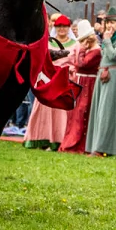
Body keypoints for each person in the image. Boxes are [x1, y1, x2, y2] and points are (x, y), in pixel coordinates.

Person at [24, 15, 75, 150]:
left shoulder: (76, 44)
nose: (61, 29)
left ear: (68, 28)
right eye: (59, 27)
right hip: (48, 80)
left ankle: (59, 139)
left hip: (65, 81)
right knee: (43, 110)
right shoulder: (48, 43)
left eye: (64, 27)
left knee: (60, 112)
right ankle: (39, 138)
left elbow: (76, 62)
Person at [86, 6, 116, 156]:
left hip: (113, 75)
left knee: (108, 112)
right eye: (108, 23)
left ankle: (102, 148)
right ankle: (99, 146)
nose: (110, 26)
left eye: (113, 22)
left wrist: (106, 40)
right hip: (103, 75)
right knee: (101, 111)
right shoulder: (110, 38)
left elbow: (113, 55)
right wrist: (107, 40)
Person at [60, 19, 102, 153]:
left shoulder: (96, 51)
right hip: (81, 81)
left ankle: (80, 143)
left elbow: (82, 64)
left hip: (89, 83)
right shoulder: (90, 49)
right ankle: (70, 140)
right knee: (75, 112)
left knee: (83, 112)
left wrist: (82, 49)